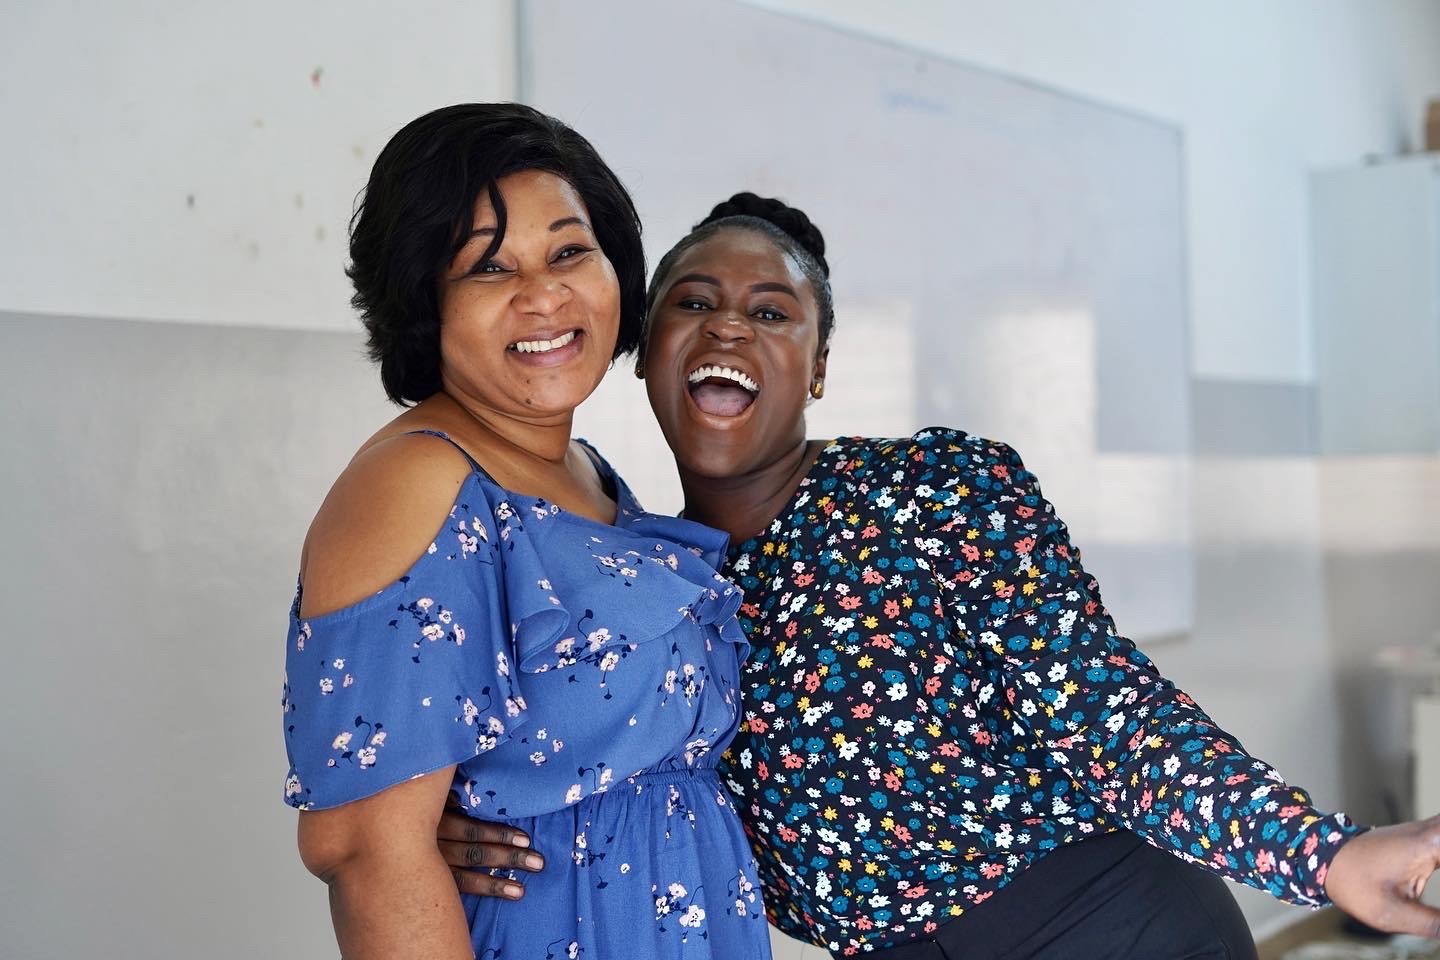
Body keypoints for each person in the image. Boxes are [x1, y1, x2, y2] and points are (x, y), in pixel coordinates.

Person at [439, 192, 1440, 958]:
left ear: (820, 366)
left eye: (773, 312)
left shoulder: (935, 488)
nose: (730, 327)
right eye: (691, 304)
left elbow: (1102, 708)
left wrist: (1325, 852)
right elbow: (599, 772)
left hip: (1103, 929)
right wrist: (453, 819)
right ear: (646, 352)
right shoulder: (640, 575)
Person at [281, 107, 771, 960]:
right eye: (487, 267)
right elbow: (364, 849)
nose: (545, 294)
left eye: (570, 251)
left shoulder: (581, 469)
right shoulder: (420, 482)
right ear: (423, 301)